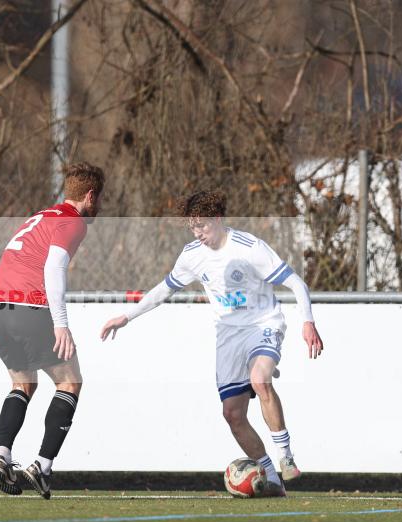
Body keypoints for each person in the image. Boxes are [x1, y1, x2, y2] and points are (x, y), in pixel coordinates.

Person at [100, 190, 323, 497]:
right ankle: (271, 478)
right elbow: (164, 290)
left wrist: (308, 322)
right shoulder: (192, 255)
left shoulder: (249, 247)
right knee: (232, 415)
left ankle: (285, 456)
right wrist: (127, 316)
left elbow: (296, 282)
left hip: (263, 325)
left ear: (217, 219)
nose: (198, 233)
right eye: (193, 227)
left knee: (260, 379)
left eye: (202, 226)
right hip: (228, 336)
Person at [0, 162, 105, 499]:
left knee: (22, 384)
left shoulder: (40, 217)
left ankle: (1, 455)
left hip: (0, 306)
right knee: (70, 382)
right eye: (99, 199)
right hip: (32, 308)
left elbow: (12, 261)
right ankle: (41, 466)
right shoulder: (72, 220)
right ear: (90, 196)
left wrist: (3, 322)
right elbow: (54, 267)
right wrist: (60, 323)